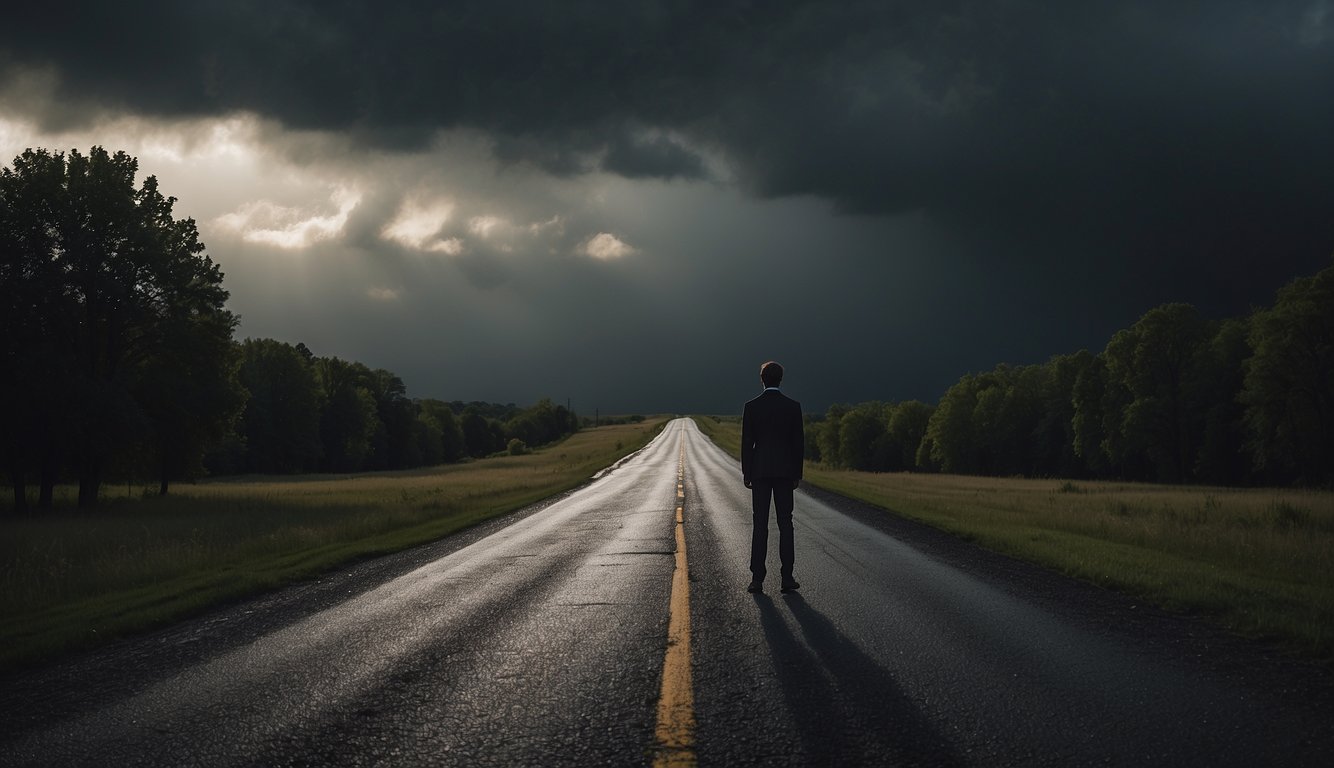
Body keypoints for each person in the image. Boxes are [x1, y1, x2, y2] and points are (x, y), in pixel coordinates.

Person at [741, 360, 805, 594]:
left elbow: (748, 443)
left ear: (762, 379)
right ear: (780, 379)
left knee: (760, 524)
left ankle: (757, 579)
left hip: (759, 471)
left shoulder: (751, 407)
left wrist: (747, 473)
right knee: (785, 523)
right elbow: (798, 443)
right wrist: (797, 473)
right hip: (785, 471)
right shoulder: (793, 406)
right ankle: (787, 577)